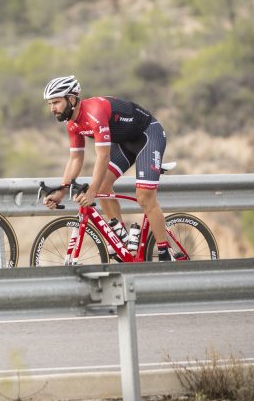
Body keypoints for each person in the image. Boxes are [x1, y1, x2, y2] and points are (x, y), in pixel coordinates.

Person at [40, 75, 187, 261]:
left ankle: (165, 252)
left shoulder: (94, 113)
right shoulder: (72, 124)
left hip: (148, 135)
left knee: (144, 197)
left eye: (56, 102)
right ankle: (122, 242)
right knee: (102, 187)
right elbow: (75, 158)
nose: (52, 108)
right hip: (125, 142)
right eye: (50, 104)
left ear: (71, 99)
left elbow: (103, 155)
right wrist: (61, 191)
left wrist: (91, 191)